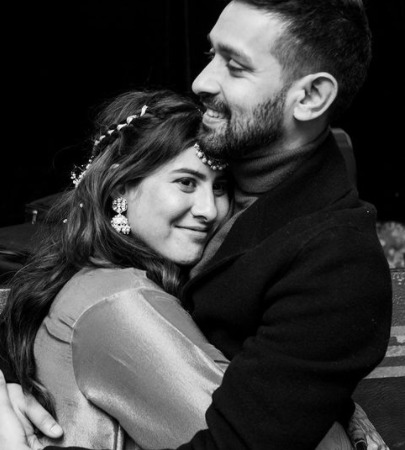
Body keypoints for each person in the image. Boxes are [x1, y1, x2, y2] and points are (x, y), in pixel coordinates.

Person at [0, 0, 392, 449]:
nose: (201, 81)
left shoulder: (335, 258)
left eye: (236, 66)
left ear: (310, 97)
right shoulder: (210, 150)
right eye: (211, 53)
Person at [0, 88, 234, 449]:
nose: (209, 209)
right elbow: (247, 436)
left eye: (220, 187)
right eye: (186, 182)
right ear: (121, 189)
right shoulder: (122, 301)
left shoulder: (95, 277)